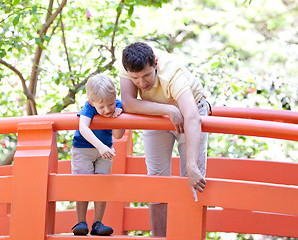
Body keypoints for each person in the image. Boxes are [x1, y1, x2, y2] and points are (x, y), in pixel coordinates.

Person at [119, 42, 211, 236]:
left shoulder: (172, 74)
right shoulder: (128, 65)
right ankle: (159, 236)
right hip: (156, 113)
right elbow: (128, 102)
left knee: (192, 179)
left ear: (156, 64)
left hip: (190, 113)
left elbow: (192, 117)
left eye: (146, 75)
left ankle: (188, 236)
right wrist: (168, 109)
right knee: (157, 181)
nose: (142, 83)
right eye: (135, 78)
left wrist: (191, 165)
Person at [70, 73, 125, 236]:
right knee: (83, 184)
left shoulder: (117, 105)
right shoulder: (88, 107)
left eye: (110, 104)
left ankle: (98, 223)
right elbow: (83, 128)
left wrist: (118, 118)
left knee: (102, 184)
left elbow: (118, 135)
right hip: (83, 149)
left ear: (114, 96)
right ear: (91, 102)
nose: (107, 110)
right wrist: (100, 146)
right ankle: (81, 221)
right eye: (102, 107)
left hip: (105, 151)